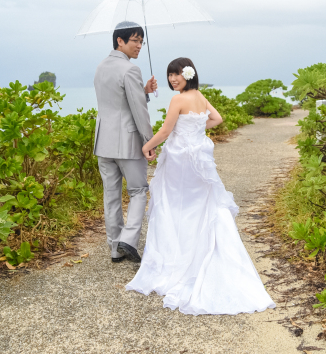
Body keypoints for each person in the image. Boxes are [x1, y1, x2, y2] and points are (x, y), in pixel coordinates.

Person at [125, 57, 275, 315]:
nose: (173, 79)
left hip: (180, 160)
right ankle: (197, 251)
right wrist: (194, 129)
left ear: (188, 74)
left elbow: (165, 130)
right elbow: (216, 119)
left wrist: (147, 146)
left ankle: (178, 257)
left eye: (176, 75)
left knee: (176, 205)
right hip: (198, 157)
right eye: (170, 75)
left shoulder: (178, 99)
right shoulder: (200, 96)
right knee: (199, 204)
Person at [93, 21, 158, 263]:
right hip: (128, 141)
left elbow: (117, 101)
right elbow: (138, 110)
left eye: (141, 41)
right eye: (135, 41)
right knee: (139, 190)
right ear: (120, 41)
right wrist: (149, 141)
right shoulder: (131, 69)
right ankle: (129, 240)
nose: (139, 46)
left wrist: (144, 91)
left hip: (104, 142)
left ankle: (114, 247)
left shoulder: (100, 67)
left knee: (110, 195)